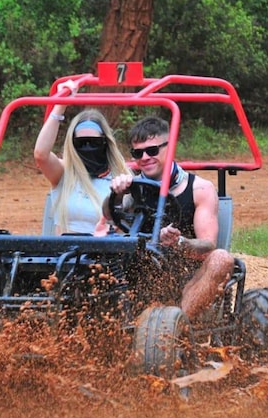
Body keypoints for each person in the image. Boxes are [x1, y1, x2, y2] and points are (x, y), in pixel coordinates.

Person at [105, 116, 234, 321]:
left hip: (188, 280)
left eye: (152, 150)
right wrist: (117, 194)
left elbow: (209, 245)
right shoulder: (132, 188)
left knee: (221, 259)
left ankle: (175, 330)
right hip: (137, 277)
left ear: (170, 146)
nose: (145, 157)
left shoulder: (199, 189)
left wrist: (179, 242)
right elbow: (106, 221)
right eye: (138, 153)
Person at [34, 105, 130, 235]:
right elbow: (41, 154)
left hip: (102, 251)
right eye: (81, 143)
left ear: (105, 142)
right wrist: (60, 106)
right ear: (72, 145)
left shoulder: (120, 180)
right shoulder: (64, 174)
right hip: (65, 252)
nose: (88, 148)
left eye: (94, 143)